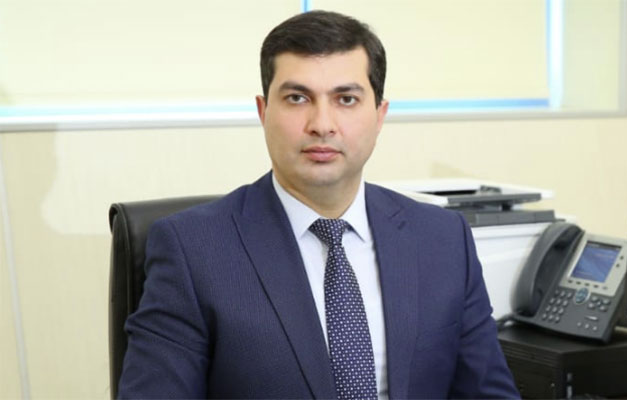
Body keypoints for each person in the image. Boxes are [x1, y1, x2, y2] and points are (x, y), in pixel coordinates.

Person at [118, 10, 520, 399]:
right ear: (263, 112)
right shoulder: (192, 250)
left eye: (346, 99)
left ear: (379, 115)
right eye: (297, 98)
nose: (322, 124)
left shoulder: (443, 239)